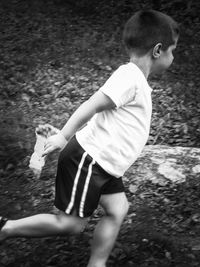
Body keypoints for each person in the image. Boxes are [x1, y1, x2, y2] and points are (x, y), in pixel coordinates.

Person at [0, 9, 179, 267]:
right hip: (89, 160)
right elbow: (91, 105)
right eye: (173, 51)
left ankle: (97, 263)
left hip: (105, 165)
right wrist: (63, 135)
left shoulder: (135, 80)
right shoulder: (129, 77)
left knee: (118, 209)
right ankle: (6, 228)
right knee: (70, 224)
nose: (173, 56)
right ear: (158, 50)